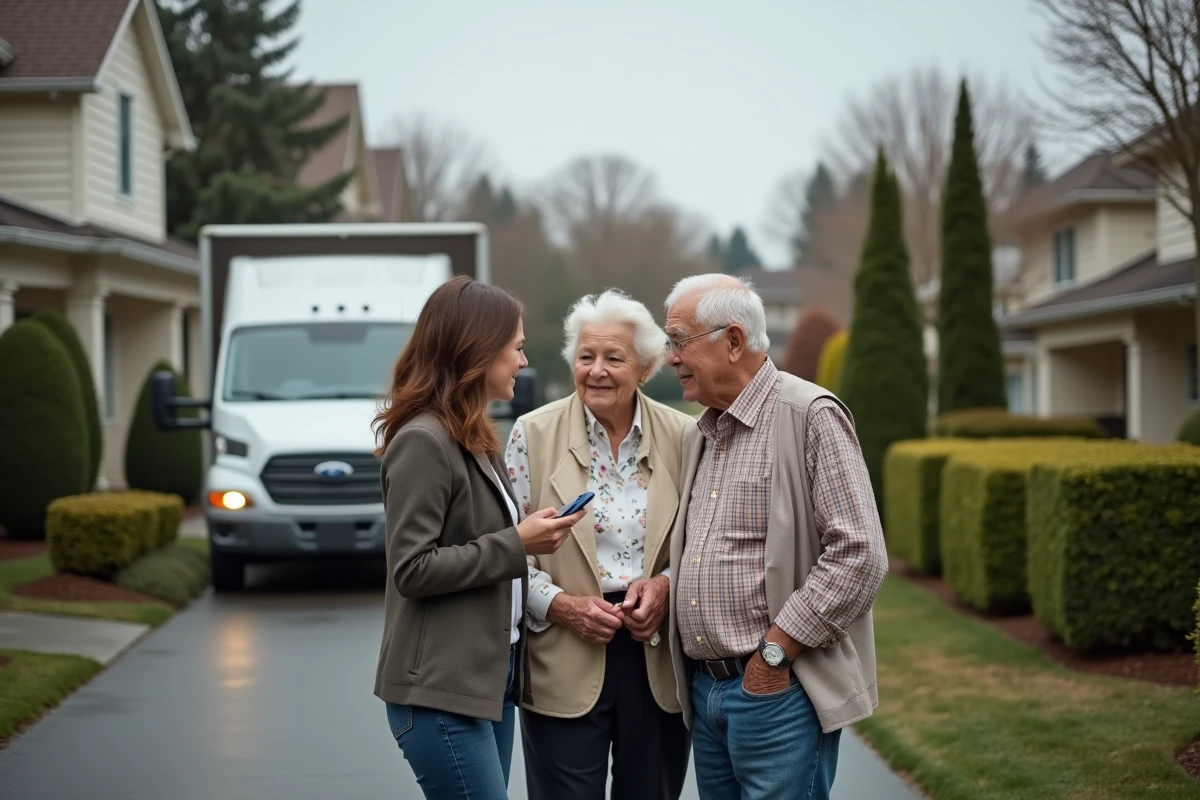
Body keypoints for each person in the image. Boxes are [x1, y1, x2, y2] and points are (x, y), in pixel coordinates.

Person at [662, 274, 888, 800]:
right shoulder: (703, 431)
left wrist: (773, 654)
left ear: (734, 341)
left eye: (678, 340)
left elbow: (861, 555)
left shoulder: (809, 415)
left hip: (776, 691)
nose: (669, 357)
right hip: (709, 690)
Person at [372, 275, 586, 800]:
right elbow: (412, 569)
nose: (523, 361)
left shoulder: (472, 435)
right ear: (477, 351)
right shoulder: (423, 441)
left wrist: (525, 537)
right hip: (439, 695)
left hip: (484, 684)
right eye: (515, 347)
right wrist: (518, 543)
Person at [504, 289, 693, 800]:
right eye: (586, 357)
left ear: (646, 367)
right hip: (563, 651)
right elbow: (507, 549)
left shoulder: (686, 437)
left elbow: (704, 545)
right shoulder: (531, 434)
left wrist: (665, 586)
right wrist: (561, 606)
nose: (597, 370)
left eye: (614, 357)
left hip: (653, 654)